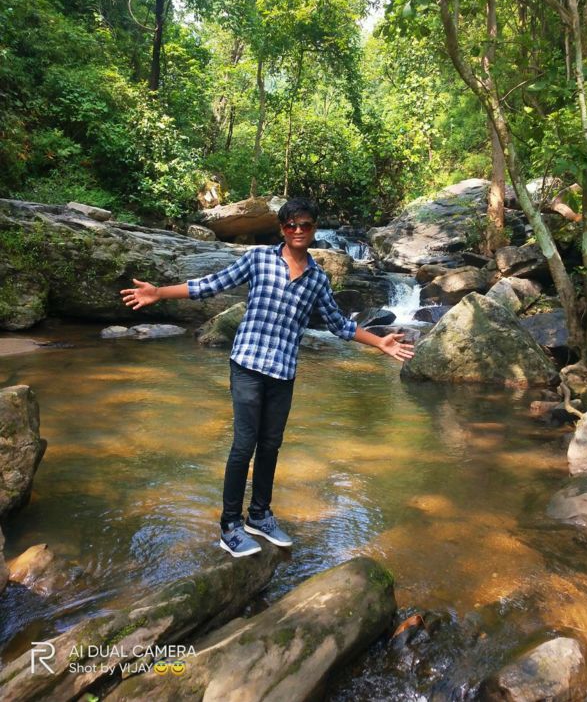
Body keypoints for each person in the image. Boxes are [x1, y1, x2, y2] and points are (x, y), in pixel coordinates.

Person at [120, 197, 414, 558]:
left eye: (305, 225)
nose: (298, 230)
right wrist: (158, 293)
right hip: (247, 364)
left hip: (282, 372)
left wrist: (379, 341)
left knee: (270, 446)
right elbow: (210, 285)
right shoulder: (259, 259)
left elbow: (339, 325)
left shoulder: (317, 280)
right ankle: (230, 525)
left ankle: (259, 515)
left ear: (313, 229)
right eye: (291, 225)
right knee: (244, 445)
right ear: (282, 229)